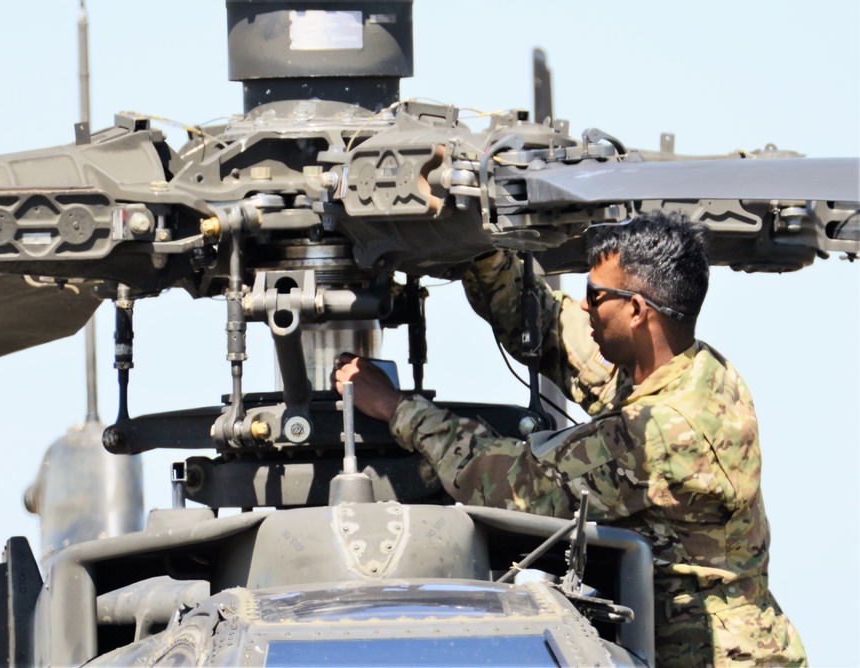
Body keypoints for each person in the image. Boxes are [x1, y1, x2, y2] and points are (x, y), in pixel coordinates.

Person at [334, 210, 806, 667]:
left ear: (638, 311)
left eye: (595, 295)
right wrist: (481, 249)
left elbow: (504, 483)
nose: (583, 305)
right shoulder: (693, 370)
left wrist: (397, 408)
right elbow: (556, 334)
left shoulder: (660, 437)